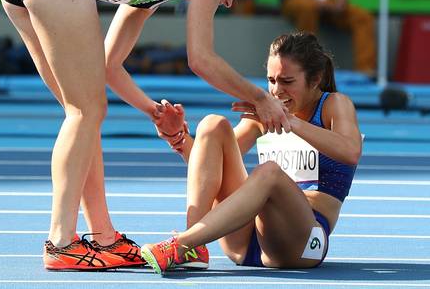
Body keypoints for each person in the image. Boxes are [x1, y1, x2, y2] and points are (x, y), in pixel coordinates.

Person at [0, 0, 290, 271]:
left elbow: (109, 64)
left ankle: (104, 237)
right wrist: (260, 98)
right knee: (85, 112)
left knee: (84, 119)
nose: (231, 1)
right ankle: (60, 242)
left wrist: (151, 109)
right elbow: (201, 59)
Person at [141, 31, 362, 274]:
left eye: (287, 82)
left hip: (303, 243)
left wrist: (290, 122)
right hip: (245, 240)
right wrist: (178, 138)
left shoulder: (334, 105)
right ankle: (194, 246)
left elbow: (350, 152)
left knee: (269, 172)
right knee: (213, 124)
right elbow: (209, 165)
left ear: (316, 78)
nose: (276, 91)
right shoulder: (264, 114)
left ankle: (183, 243)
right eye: (271, 80)